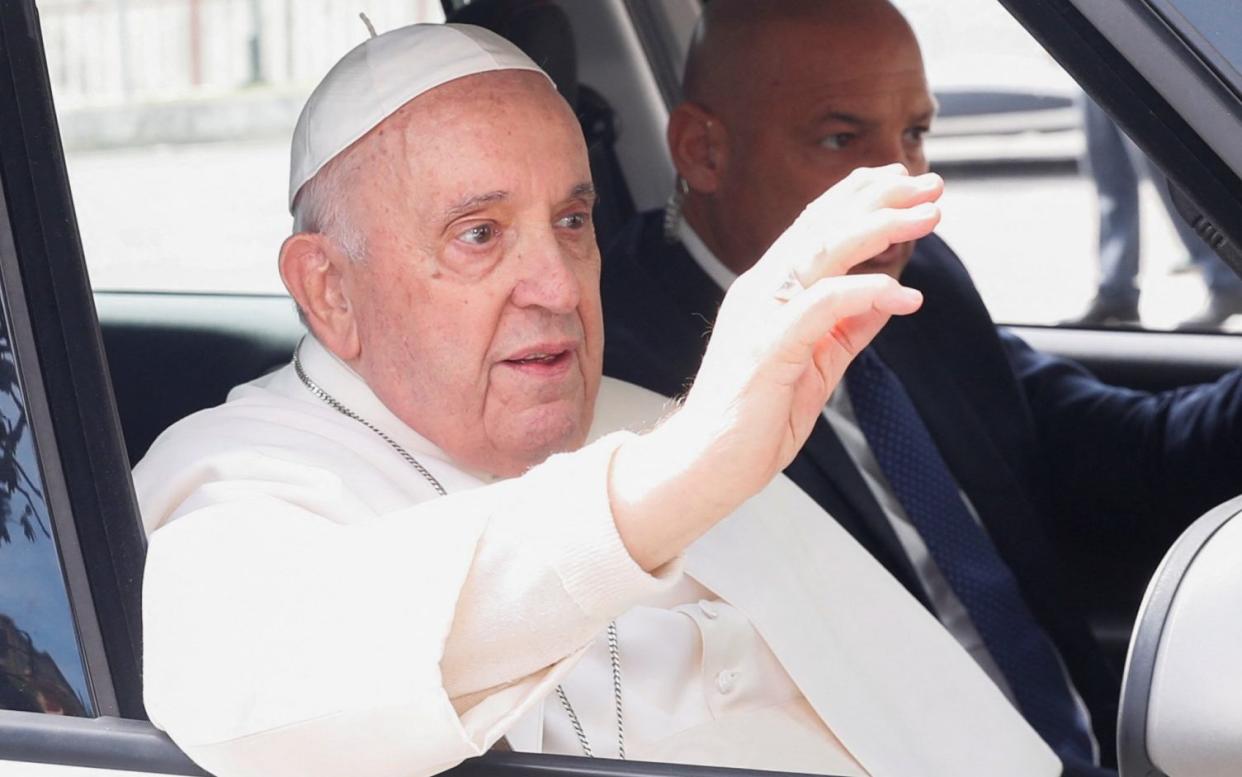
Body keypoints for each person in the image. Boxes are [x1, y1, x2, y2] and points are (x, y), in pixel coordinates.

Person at [135, 21, 1068, 777]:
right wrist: (658, 490)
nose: (557, 282)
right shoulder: (236, 471)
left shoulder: (645, 415)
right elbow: (257, 689)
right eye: (480, 233)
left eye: (572, 221)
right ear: (330, 290)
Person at [600, 0, 1242, 773]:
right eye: (840, 139)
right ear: (703, 152)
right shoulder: (622, 368)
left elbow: (1120, 452)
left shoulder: (915, 282)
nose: (903, 191)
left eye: (914, 134)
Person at [1068, 98, 1242, 328]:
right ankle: (1116, 293)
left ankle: (1227, 278)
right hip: (1092, 63)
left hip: (1131, 64)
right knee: (1109, 169)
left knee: (1163, 169)